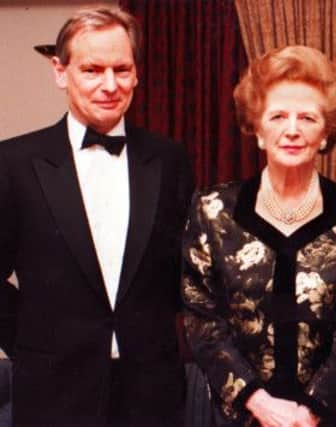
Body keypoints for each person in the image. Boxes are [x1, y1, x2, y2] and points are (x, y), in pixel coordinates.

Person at [0, 6, 194, 427]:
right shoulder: (12, 162)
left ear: (137, 73)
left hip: (152, 398)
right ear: (60, 71)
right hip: (50, 394)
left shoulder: (170, 159)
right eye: (92, 69)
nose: (110, 85)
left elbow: (185, 275)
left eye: (122, 69)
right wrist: (36, 345)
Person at [181, 45, 336, 427]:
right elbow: (202, 319)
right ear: (258, 130)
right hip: (245, 418)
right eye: (278, 116)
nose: (292, 129)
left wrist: (310, 414)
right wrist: (259, 404)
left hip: (333, 419)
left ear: (326, 132)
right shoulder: (212, 209)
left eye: (308, 117)